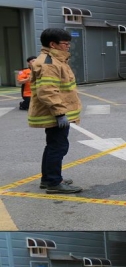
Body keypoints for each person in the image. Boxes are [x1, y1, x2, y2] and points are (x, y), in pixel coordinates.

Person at [28, 28, 83, 194]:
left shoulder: (54, 60)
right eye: (65, 44)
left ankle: (48, 179)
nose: (68, 47)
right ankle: (53, 182)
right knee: (58, 147)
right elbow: (47, 91)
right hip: (55, 114)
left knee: (53, 146)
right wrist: (60, 113)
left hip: (55, 113)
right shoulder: (50, 63)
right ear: (53, 44)